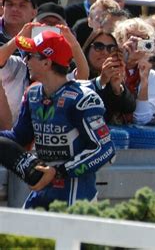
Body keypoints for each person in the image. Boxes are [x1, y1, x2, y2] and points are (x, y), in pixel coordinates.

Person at [0, 30, 116, 209]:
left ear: (46, 62)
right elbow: (19, 137)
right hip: (42, 190)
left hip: (77, 197)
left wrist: (59, 172)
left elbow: (105, 149)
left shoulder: (81, 99)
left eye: (30, 56)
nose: (26, 60)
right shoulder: (33, 94)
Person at [113, 17, 155, 125]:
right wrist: (124, 60)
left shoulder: (152, 76)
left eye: (141, 39)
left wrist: (144, 82)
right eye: (130, 37)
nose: (135, 43)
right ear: (120, 41)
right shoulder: (110, 65)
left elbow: (142, 119)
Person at [82, 30, 136, 124]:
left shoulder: (114, 75)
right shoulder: (76, 69)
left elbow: (129, 107)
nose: (105, 52)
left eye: (111, 48)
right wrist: (101, 81)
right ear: (88, 49)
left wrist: (117, 89)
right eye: (99, 47)